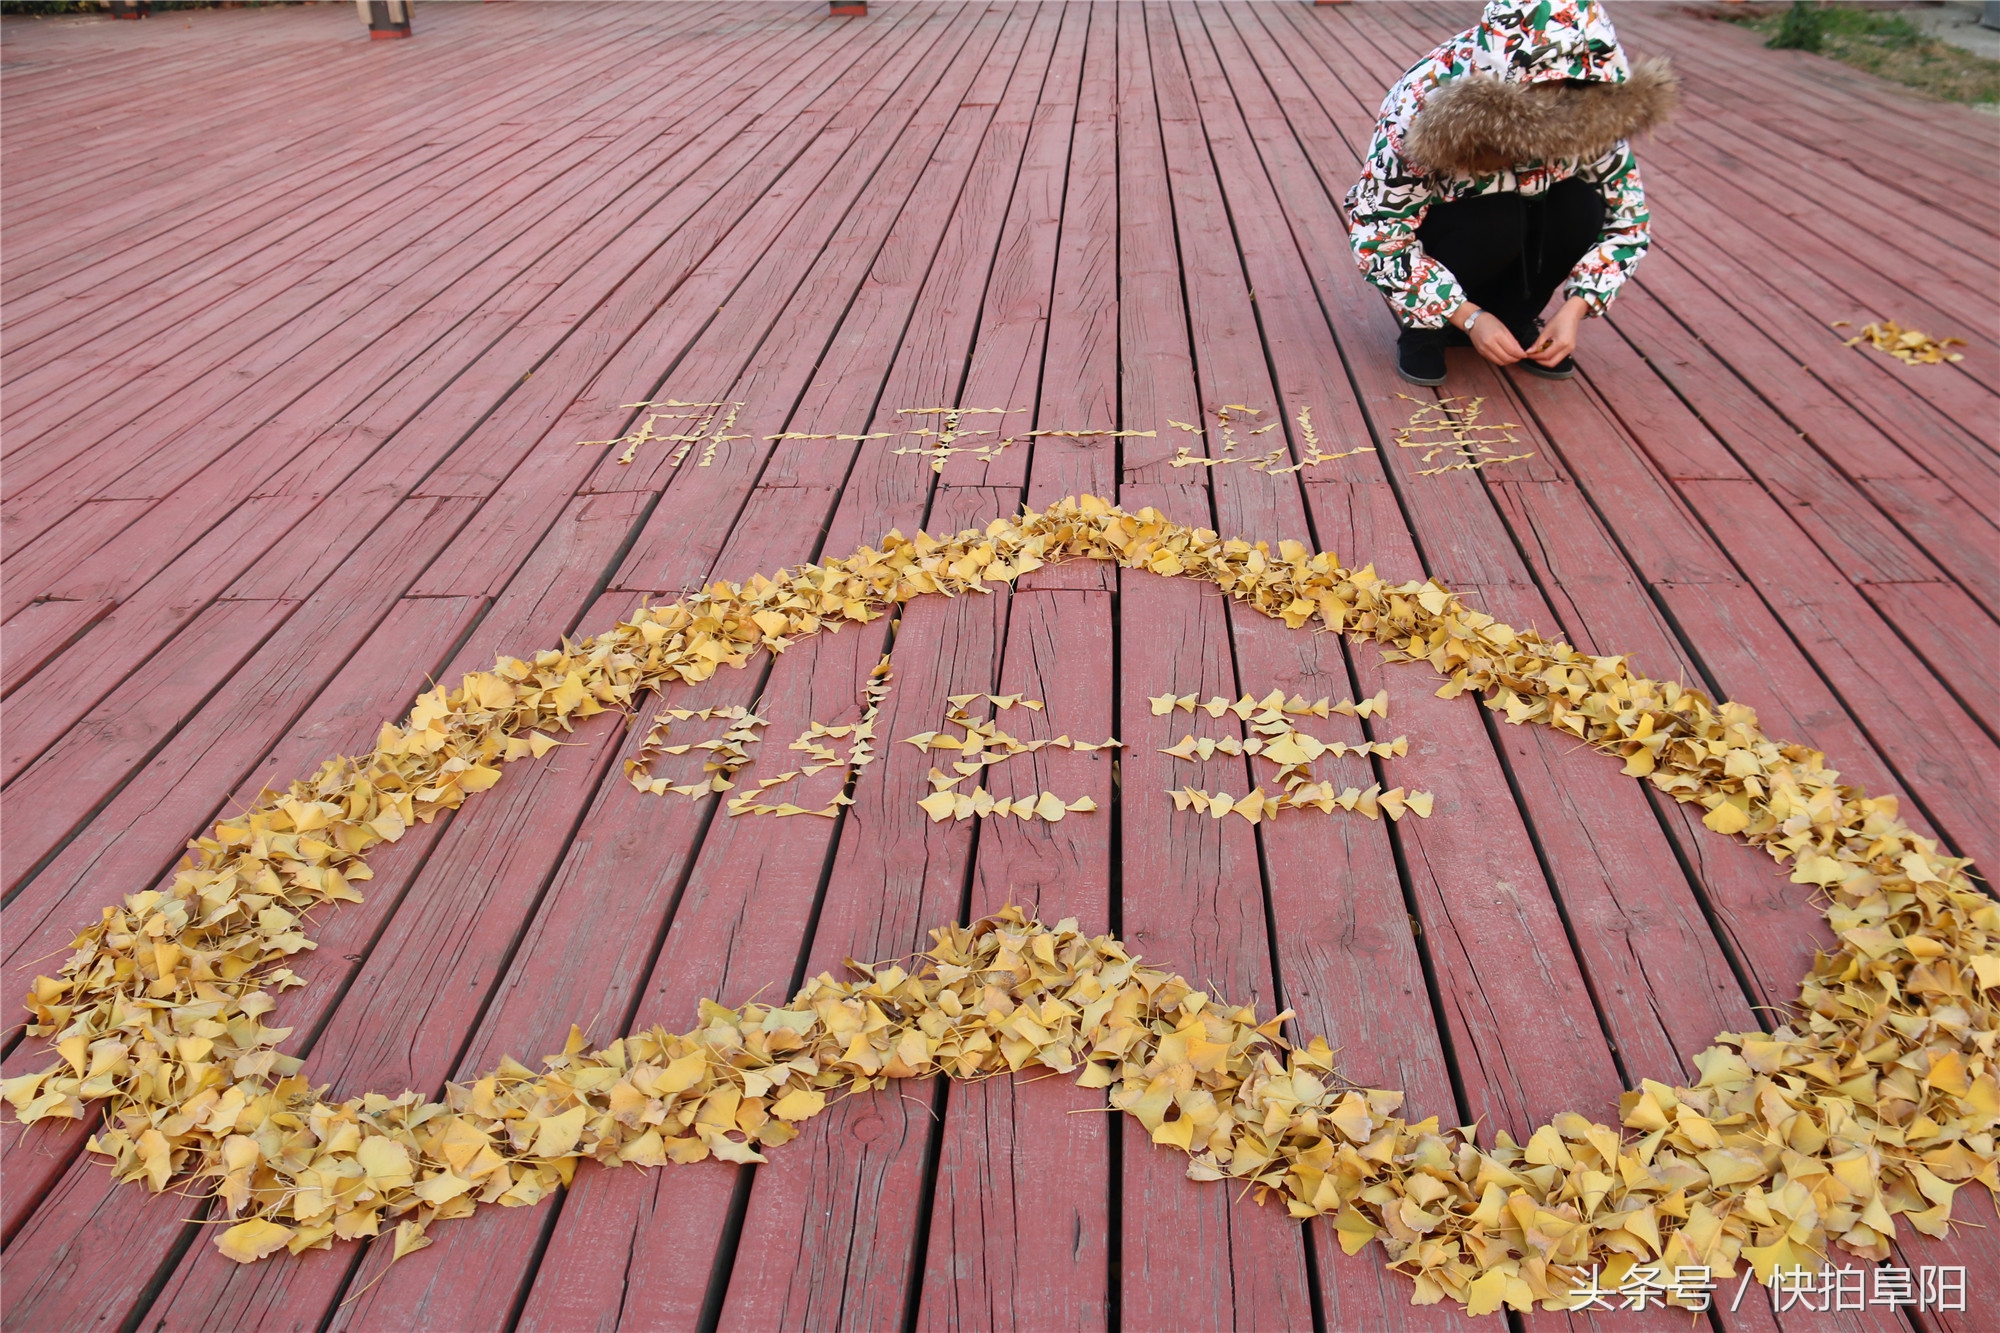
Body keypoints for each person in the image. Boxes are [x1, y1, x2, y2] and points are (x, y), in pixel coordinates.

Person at [1344, 0, 1677, 386]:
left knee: (1581, 204)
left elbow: (1628, 220)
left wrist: (1576, 307)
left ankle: (1516, 313)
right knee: (1496, 217)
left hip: (1531, 227)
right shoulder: (1423, 102)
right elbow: (1379, 234)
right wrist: (1467, 315)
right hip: (1458, 229)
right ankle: (1427, 328)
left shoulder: (1597, 100)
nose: (1556, 101)